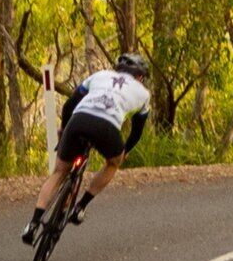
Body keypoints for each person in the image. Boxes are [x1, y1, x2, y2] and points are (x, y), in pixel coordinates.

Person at [26, 52, 152, 243]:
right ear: (140, 76)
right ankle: (80, 207)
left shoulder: (99, 75)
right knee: (113, 163)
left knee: (59, 172)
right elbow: (137, 132)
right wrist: (124, 152)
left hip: (78, 120)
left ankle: (33, 224)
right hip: (107, 127)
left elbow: (69, 105)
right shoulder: (143, 94)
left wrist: (63, 129)